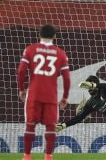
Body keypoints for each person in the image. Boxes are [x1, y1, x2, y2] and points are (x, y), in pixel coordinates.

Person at [17, 24, 71, 160]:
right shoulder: (61, 53)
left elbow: (21, 71)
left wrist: (22, 89)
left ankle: (27, 156)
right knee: (51, 127)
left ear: (39, 35)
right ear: (54, 36)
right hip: (51, 96)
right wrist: (65, 96)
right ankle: (48, 156)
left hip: (34, 94)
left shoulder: (30, 49)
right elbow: (66, 77)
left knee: (30, 125)